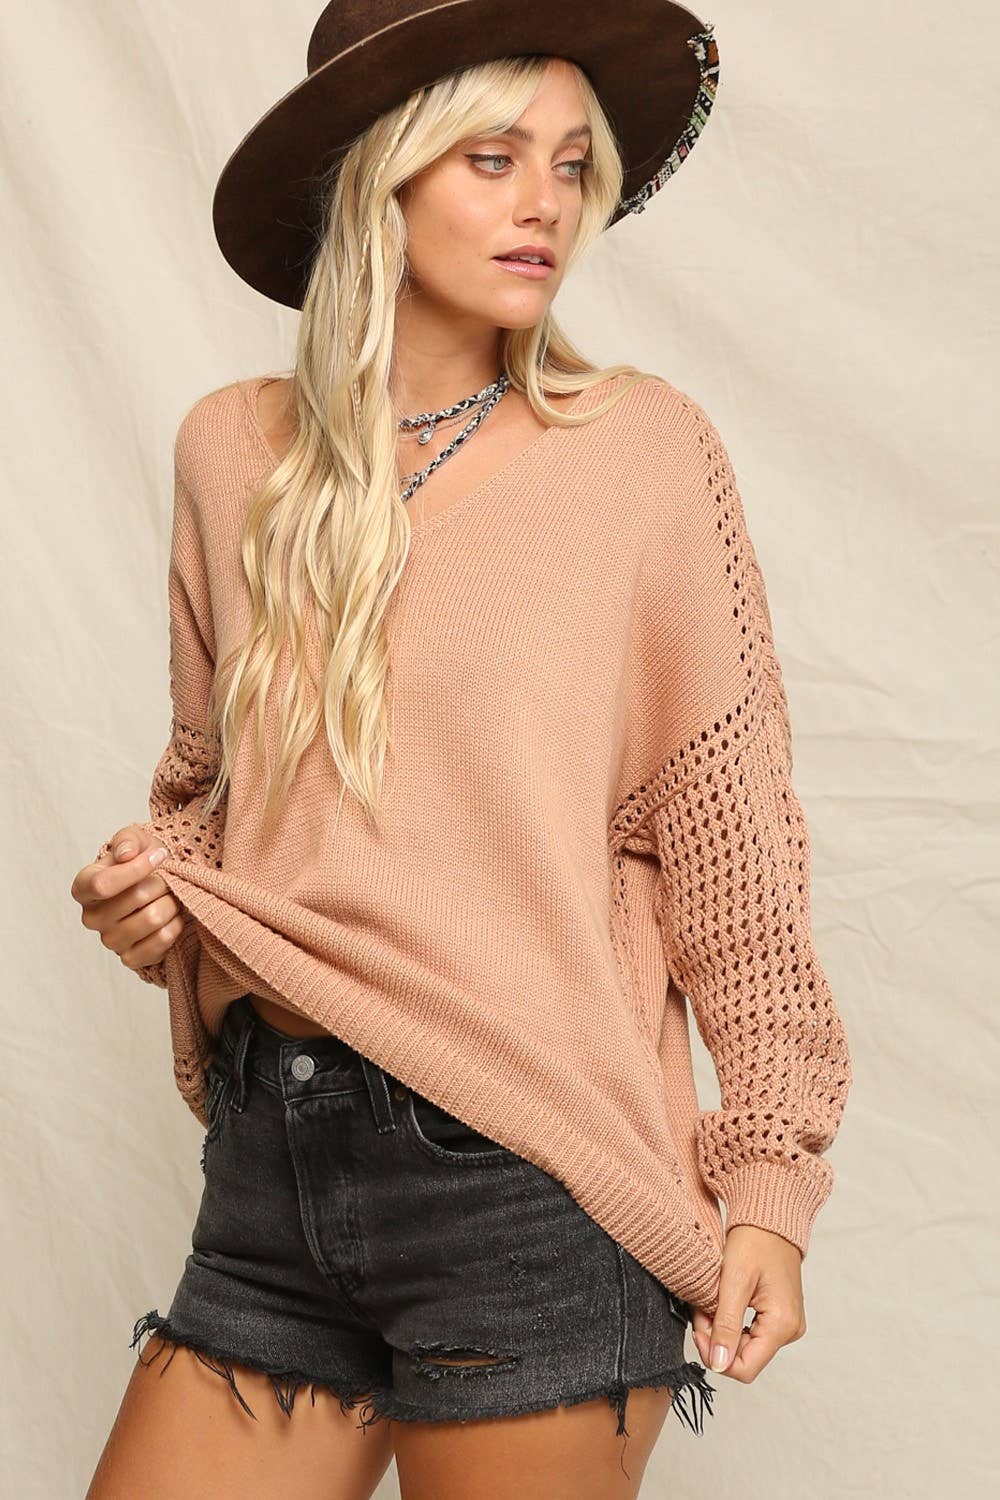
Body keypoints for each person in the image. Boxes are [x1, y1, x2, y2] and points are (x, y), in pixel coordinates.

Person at [74, 5, 852, 1497]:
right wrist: (154, 886)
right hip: (271, 1166)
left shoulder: (640, 456)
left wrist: (769, 1185)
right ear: (384, 175)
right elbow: (214, 799)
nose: (544, 201)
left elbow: (737, 858)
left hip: (530, 1181)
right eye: (492, 158)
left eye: (568, 164)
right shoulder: (232, 453)